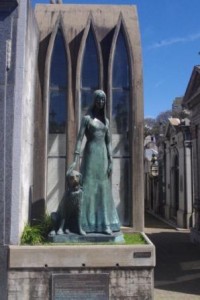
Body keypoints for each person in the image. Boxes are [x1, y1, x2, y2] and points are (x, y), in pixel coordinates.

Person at [67, 90, 120, 234]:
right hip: (90, 155)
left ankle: (105, 224)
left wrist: (111, 160)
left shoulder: (106, 121)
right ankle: (84, 224)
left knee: (103, 188)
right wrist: (75, 158)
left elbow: (108, 142)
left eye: (103, 100)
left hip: (102, 156)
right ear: (94, 100)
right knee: (89, 187)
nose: (101, 102)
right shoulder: (87, 119)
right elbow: (79, 139)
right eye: (98, 99)